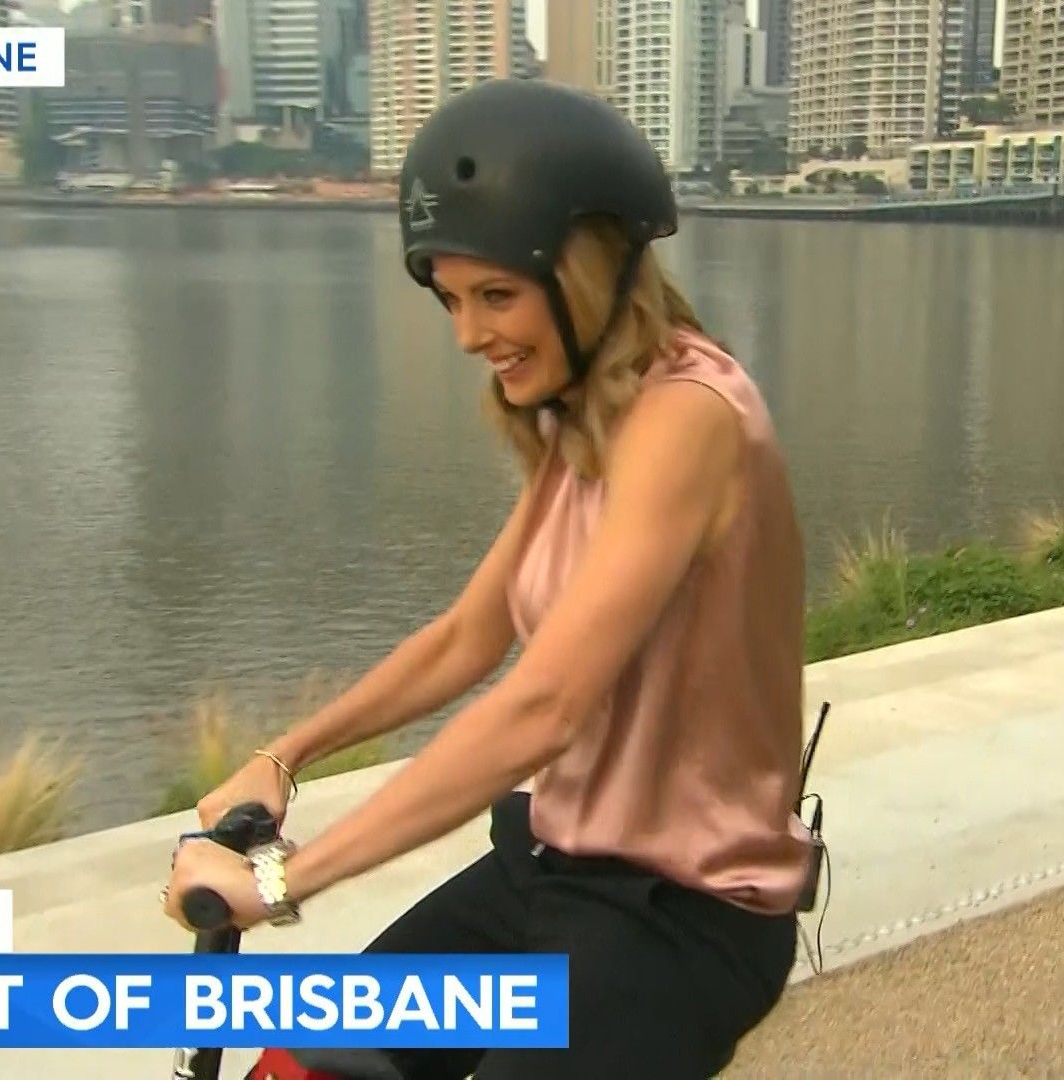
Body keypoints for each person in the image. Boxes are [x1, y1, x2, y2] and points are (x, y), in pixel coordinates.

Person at [164, 79, 817, 1079]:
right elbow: (468, 636)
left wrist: (285, 881)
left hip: (682, 917)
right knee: (306, 1064)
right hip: (552, 871)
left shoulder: (688, 418)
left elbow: (544, 706)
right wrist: (283, 758)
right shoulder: (582, 418)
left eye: (497, 296)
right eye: (452, 299)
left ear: (590, 272)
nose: (470, 334)